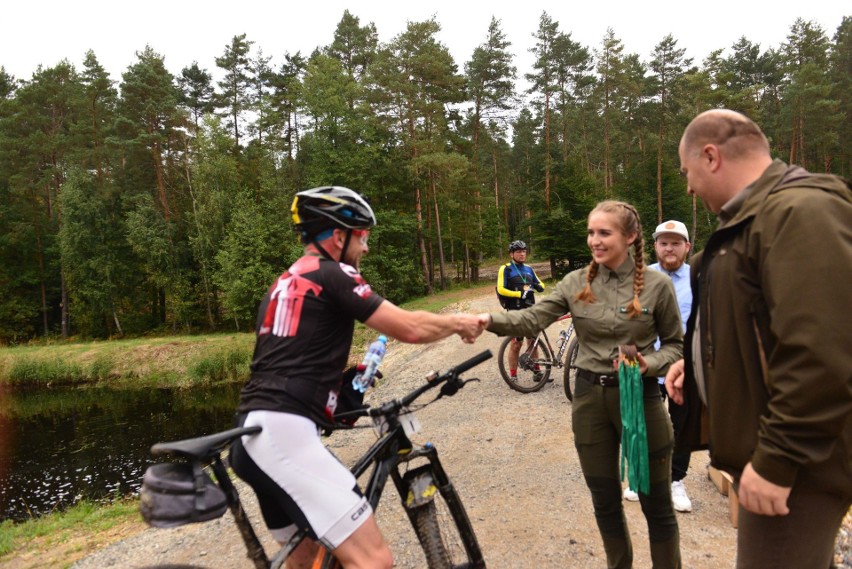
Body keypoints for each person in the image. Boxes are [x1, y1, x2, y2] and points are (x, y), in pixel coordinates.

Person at [229, 186, 483, 569]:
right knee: (373, 561)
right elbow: (409, 327)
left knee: (311, 560)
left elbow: (289, 362)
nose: (365, 248)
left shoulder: (286, 281)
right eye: (362, 237)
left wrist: (339, 387)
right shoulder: (332, 273)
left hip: (252, 436)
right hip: (285, 435)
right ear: (337, 236)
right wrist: (458, 323)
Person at [665, 109, 852, 569]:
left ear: (711, 156)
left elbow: (822, 354)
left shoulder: (800, 212)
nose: (688, 187)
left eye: (688, 172)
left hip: (800, 464)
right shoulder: (744, 226)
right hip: (777, 453)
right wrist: (695, 361)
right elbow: (756, 325)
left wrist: (777, 460)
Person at [477, 201, 684, 568]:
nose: (594, 240)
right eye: (591, 232)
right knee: (604, 501)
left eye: (604, 232)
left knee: (657, 504)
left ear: (631, 236)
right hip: (589, 401)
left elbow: (675, 346)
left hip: (641, 399)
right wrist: (482, 320)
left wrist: (647, 364)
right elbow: (531, 319)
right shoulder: (575, 282)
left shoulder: (657, 285)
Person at [623, 220, 693, 513]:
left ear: (687, 247)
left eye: (676, 242)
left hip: (683, 363)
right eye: (663, 242)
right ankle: (639, 477)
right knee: (638, 422)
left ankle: (676, 480)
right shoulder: (641, 276)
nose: (669, 248)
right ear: (655, 246)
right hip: (643, 363)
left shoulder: (698, 278)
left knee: (682, 425)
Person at [496, 240, 546, 381]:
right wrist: (518, 294)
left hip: (530, 308)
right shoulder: (506, 269)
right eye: (518, 251)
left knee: (533, 341)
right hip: (515, 310)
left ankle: (537, 372)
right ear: (512, 254)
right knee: (516, 343)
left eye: (524, 251)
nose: (522, 254)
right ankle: (513, 375)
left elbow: (541, 283)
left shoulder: (529, 269)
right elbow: (500, 289)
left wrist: (538, 285)